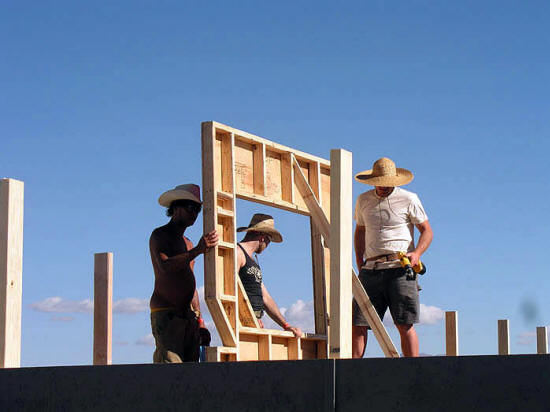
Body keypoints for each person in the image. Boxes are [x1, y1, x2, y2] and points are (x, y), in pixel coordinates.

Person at [352, 158, 433, 358]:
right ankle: (352, 370)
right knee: (358, 321)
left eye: (385, 181)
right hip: (371, 268)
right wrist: (359, 259)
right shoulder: (363, 200)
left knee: (404, 322)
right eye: (378, 181)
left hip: (400, 267)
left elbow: (427, 231)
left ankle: (412, 370)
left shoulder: (409, 198)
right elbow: (360, 231)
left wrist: (417, 254)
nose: (382, 185)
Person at [149, 183, 219, 362]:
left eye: (197, 209)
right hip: (167, 314)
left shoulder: (188, 242)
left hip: (188, 317)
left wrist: (200, 321)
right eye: (190, 208)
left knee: (190, 374)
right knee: (170, 371)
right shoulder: (160, 235)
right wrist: (197, 250)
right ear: (176, 208)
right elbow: (166, 266)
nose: (194, 213)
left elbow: (192, 286)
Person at [236, 213, 303, 338]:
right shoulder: (238, 253)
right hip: (241, 323)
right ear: (262, 237)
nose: (268, 243)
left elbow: (265, 298)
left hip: (252, 322)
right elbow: (231, 288)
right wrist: (247, 317)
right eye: (269, 239)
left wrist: (286, 325)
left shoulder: (252, 261)